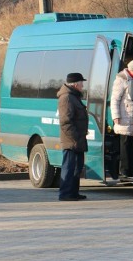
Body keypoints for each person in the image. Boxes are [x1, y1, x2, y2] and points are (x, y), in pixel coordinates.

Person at [58, 72, 89, 201]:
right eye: (82, 83)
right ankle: (65, 193)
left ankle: (73, 193)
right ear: (76, 84)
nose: (83, 86)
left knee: (77, 167)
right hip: (72, 141)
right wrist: (74, 138)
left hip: (78, 140)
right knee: (69, 167)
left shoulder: (74, 96)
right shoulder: (67, 98)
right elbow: (65, 121)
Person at [111, 59, 133, 180]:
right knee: (124, 145)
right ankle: (125, 171)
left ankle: (131, 170)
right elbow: (115, 100)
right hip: (124, 118)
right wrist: (116, 116)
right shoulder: (121, 80)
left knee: (131, 146)